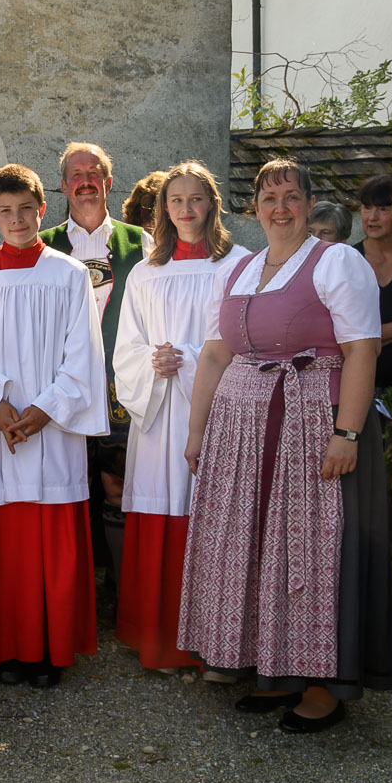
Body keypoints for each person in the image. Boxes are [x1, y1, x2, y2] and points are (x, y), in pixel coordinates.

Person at [179, 159, 392, 733]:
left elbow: (361, 352)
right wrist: (197, 432)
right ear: (254, 206)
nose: (280, 207)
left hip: (314, 425)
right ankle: (276, 674)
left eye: (291, 196)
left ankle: (325, 686)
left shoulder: (338, 263)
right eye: (269, 195)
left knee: (312, 553)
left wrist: (346, 433)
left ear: (306, 202)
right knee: (257, 549)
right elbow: (215, 355)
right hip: (244, 434)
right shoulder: (238, 270)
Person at [0, 163, 106, 689]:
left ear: (42, 211)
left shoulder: (68, 274)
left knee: (50, 544)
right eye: (5, 211)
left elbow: (84, 352)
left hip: (51, 429)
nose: (16, 219)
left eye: (26, 209)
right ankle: (3, 648)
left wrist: (44, 410)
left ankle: (48, 649)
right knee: (3, 548)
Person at [110, 161, 248, 674]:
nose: (185, 209)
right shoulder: (147, 272)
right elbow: (127, 344)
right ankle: (160, 641)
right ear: (163, 208)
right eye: (175, 200)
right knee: (163, 510)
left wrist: (186, 358)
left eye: (195, 199)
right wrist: (153, 361)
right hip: (160, 410)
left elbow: (247, 337)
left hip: (219, 408)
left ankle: (217, 646)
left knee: (216, 519)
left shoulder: (239, 265)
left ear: (211, 203)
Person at [38, 142, 147, 604]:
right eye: (75, 173)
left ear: (108, 180)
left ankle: (122, 593)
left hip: (121, 384)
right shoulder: (41, 246)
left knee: (119, 483)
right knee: (68, 483)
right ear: (62, 186)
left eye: (94, 171)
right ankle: (73, 593)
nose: (85, 179)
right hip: (62, 383)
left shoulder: (142, 242)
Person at [355, 174, 392, 398]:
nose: (372, 217)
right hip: (360, 390)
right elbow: (346, 335)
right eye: (366, 207)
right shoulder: (348, 260)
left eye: (384, 209)